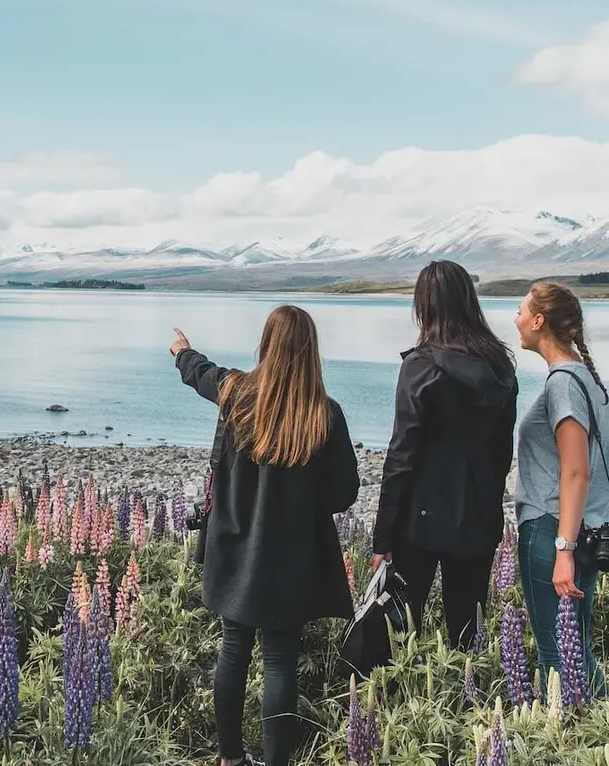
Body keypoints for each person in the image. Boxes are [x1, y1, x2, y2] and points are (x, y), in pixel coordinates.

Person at [172, 306, 360, 766]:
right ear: (310, 351)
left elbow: (203, 375)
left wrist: (181, 351)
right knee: (280, 661)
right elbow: (344, 493)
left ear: (266, 345)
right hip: (291, 558)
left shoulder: (237, 394)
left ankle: (230, 758)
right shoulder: (323, 414)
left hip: (235, 547)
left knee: (233, 649)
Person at [370, 260, 518, 651]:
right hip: (479, 516)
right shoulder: (500, 367)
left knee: (401, 633)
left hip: (419, 520)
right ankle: (473, 706)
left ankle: (401, 707)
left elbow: (401, 456)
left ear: (425, 306)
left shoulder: (420, 367)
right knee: (469, 631)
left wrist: (383, 534)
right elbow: (503, 451)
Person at [513, 280, 609, 699]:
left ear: (539, 321)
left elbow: (576, 473)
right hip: (586, 530)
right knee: (577, 649)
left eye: (521, 310)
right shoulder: (585, 376)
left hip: (555, 530)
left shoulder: (563, 383)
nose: (515, 319)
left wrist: (562, 551)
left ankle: (572, 742)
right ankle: (606, 732)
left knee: (556, 657)